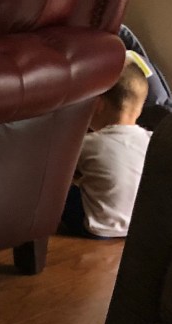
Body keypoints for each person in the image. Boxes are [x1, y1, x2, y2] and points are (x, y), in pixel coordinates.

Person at [62, 60, 152, 239]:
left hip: (94, 227)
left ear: (98, 105)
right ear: (140, 107)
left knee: (55, 188)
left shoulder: (89, 143)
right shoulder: (151, 139)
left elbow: (56, 169)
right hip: (135, 227)